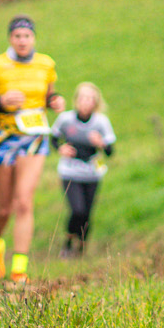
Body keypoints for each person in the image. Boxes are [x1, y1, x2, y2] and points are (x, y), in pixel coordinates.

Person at [0, 16, 57, 284]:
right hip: (2, 138)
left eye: (26, 36)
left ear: (34, 38)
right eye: (17, 36)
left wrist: (56, 100)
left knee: (24, 202)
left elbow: (49, 97)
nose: (22, 41)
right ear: (10, 39)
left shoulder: (46, 64)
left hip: (33, 138)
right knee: (5, 208)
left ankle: (19, 269)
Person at [53, 84, 117, 257]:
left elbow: (110, 151)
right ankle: (67, 243)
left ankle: (81, 247)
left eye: (90, 99)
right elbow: (54, 139)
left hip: (92, 173)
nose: (86, 102)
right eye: (83, 98)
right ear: (76, 100)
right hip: (70, 172)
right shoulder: (65, 119)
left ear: (96, 102)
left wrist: (100, 143)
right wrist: (61, 148)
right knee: (77, 210)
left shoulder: (101, 122)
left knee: (87, 213)